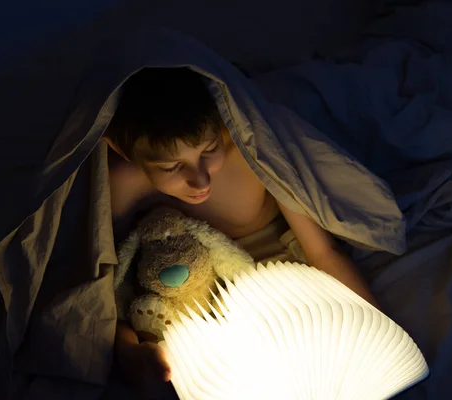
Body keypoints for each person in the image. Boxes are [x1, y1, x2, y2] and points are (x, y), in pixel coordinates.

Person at [105, 67, 377, 398]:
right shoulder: (123, 183)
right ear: (121, 148)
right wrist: (130, 351)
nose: (201, 180)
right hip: (192, 301)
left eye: (208, 151)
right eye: (172, 167)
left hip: (278, 277)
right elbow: (108, 285)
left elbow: (322, 251)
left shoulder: (253, 151)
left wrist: (376, 326)